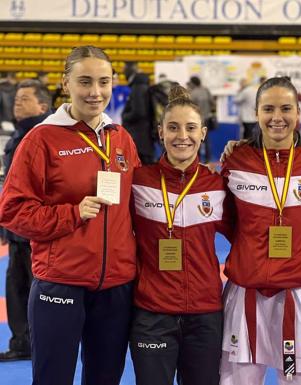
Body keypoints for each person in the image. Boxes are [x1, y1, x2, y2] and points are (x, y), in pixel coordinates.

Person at [0, 45, 140, 385]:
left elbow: (137, 205)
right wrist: (72, 214)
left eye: (104, 82)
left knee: (105, 378)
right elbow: (11, 210)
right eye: (85, 81)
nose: (95, 92)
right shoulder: (41, 140)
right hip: (61, 281)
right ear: (66, 84)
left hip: (116, 286)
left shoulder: (120, 138)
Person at [219, 76, 301, 385]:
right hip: (245, 294)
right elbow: (229, 221)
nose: (277, 117)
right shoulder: (236, 160)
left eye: (286, 108)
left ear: (298, 113)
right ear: (256, 113)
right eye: (268, 108)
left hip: (298, 296)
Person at [129, 84, 231, 385]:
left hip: (205, 313)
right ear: (161, 132)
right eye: (173, 128)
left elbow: (249, 233)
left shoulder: (217, 185)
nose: (182, 136)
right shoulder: (138, 182)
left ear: (203, 133)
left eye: (190, 128)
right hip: (152, 313)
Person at [0, 79, 51, 362]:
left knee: (39, 294)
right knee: (15, 289)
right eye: (16, 98)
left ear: (43, 105)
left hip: (36, 229)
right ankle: (21, 343)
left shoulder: (46, 135)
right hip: (16, 229)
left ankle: (43, 344)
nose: (17, 102)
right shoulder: (18, 134)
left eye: (24, 98)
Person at [122, 61, 155, 164]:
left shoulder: (138, 87)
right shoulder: (142, 85)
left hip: (139, 137)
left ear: (131, 70)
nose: (123, 71)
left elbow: (139, 112)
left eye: (125, 69)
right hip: (144, 136)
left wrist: (124, 116)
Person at [187, 75, 217, 161]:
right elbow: (212, 103)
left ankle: (197, 158)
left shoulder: (193, 93)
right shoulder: (205, 90)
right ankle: (208, 158)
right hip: (207, 118)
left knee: (196, 139)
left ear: (192, 83)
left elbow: (189, 107)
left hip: (196, 119)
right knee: (206, 139)